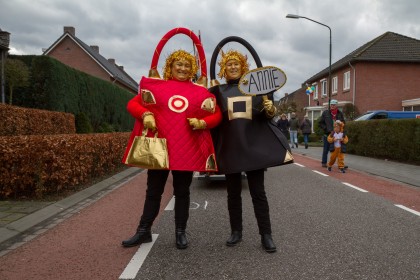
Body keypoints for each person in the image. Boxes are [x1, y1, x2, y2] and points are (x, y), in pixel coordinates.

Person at [121, 50, 222, 249]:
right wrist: (145, 114)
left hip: (186, 150)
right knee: (153, 191)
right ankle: (143, 231)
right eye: (179, 64)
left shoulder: (199, 91)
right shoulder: (159, 87)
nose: (183, 69)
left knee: (182, 192)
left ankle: (180, 232)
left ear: (192, 69)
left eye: (187, 65)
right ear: (170, 66)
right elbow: (133, 103)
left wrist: (203, 122)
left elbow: (216, 113)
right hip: (161, 148)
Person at [210, 50, 292, 253]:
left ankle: (266, 234)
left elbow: (266, 115)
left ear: (243, 67)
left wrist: (270, 110)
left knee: (258, 193)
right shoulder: (218, 91)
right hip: (231, 147)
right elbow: (212, 118)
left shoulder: (256, 89)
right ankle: (236, 231)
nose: (233, 67)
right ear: (223, 68)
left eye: (236, 63)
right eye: (229, 64)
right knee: (233, 194)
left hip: (253, 147)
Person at [318, 99, 345, 167]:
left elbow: (343, 123)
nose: (332, 106)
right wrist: (327, 129)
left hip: (337, 135)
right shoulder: (325, 113)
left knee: (338, 150)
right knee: (326, 149)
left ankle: (340, 164)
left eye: (334, 105)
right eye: (331, 105)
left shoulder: (340, 113)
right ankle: (324, 163)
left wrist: (341, 129)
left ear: (336, 105)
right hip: (328, 134)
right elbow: (320, 123)